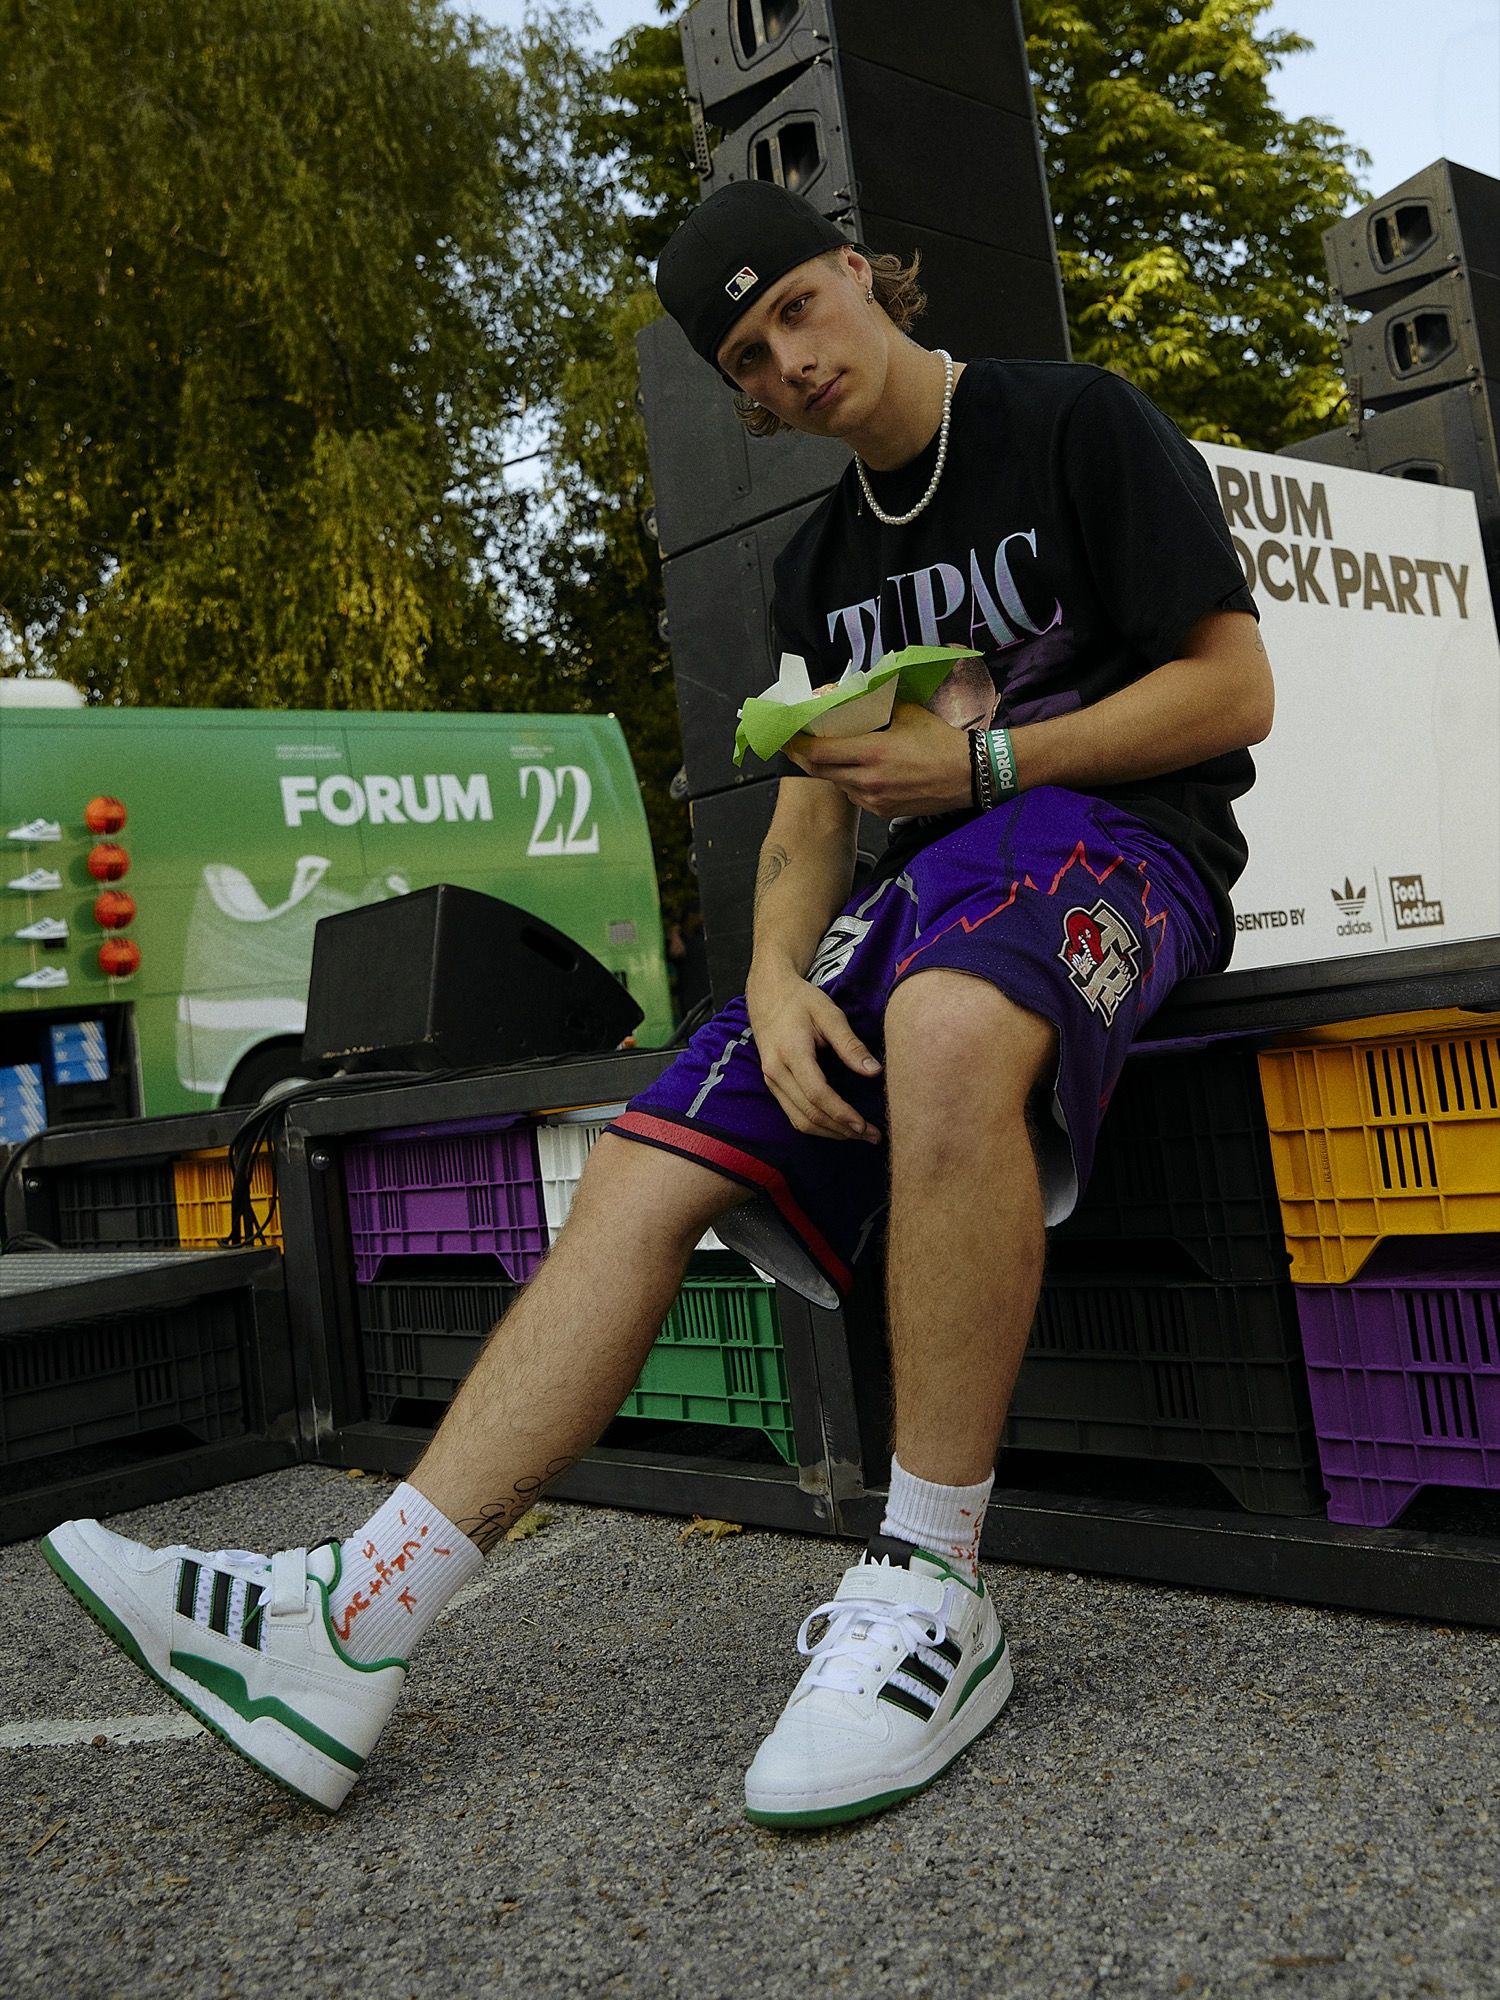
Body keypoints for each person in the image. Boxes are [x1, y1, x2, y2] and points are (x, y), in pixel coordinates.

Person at [39, 180, 1272, 1830]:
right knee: (644, 1151)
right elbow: (812, 815)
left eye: (797, 310)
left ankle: (933, 1587)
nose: (788, 362)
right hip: (937, 893)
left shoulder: (1070, 422)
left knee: (947, 1022)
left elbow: (1235, 687)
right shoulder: (818, 565)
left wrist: (983, 762)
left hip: (1121, 847)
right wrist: (767, 977)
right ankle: (351, 1619)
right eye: (747, 355)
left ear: (859, 271)